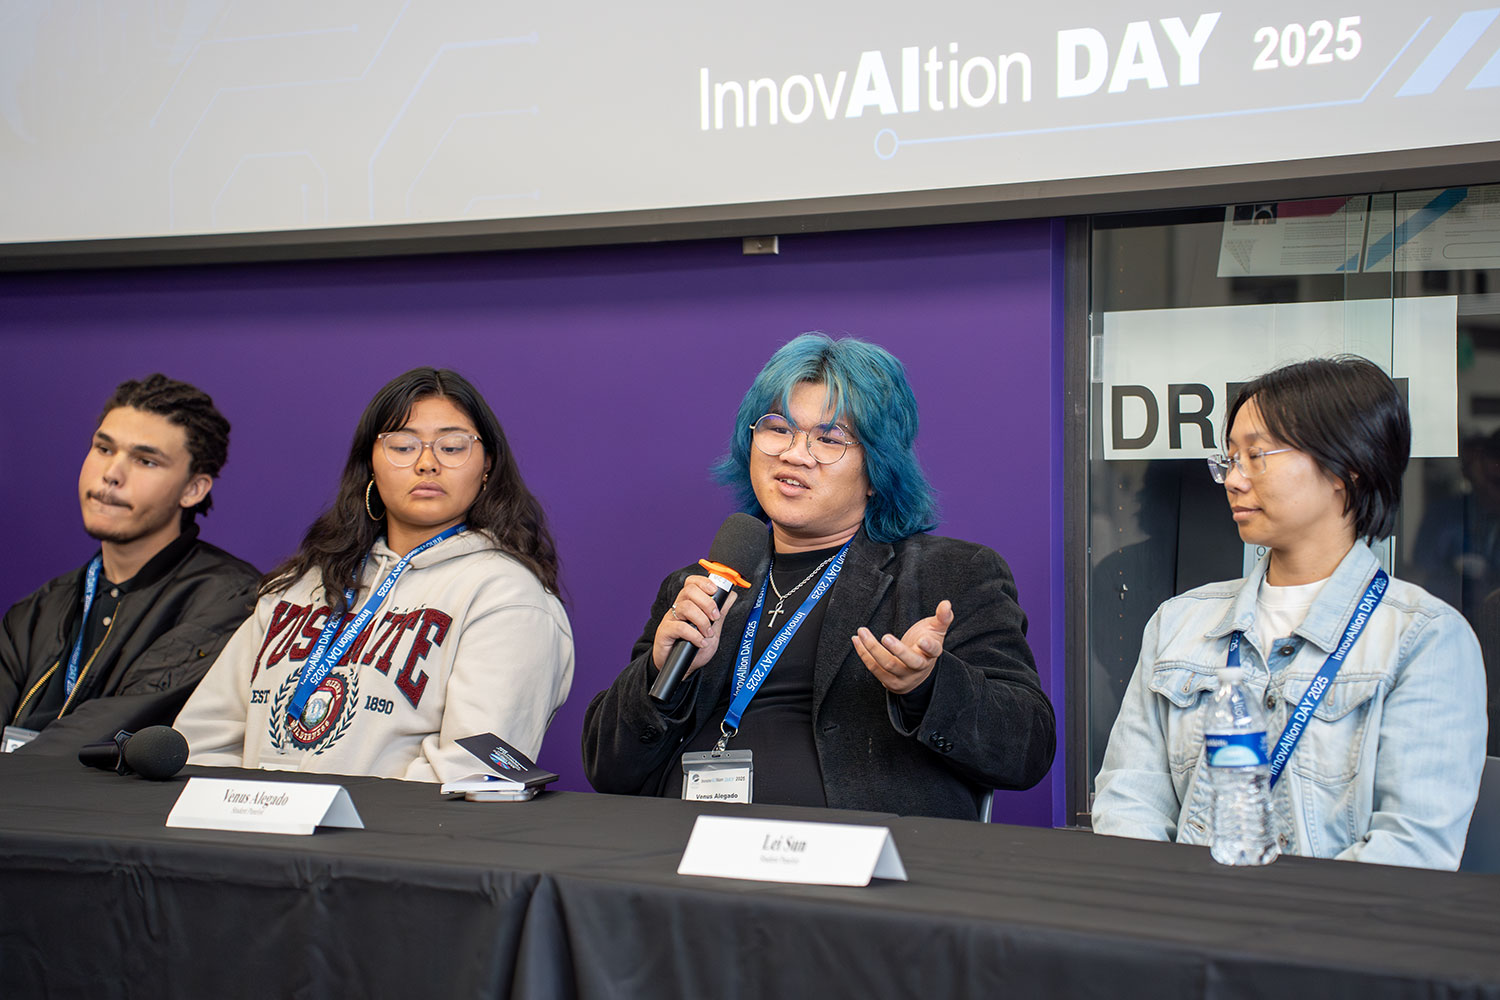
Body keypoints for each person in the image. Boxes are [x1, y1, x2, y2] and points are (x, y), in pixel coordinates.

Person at [582, 334, 1055, 819]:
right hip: (686, 852)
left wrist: (927, 686)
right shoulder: (702, 586)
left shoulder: (948, 575)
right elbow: (609, 770)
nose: (794, 453)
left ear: (878, 470)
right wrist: (660, 673)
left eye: (828, 439)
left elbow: (1026, 750)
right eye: (777, 429)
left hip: (851, 866)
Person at [1092, 356, 1486, 869]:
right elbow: (1129, 800)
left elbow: (1413, 847)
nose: (1232, 480)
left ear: (1347, 467)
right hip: (1181, 931)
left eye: (1256, 456)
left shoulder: (1424, 639)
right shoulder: (1179, 623)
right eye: (1229, 459)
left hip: (1328, 940)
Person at [176, 368, 573, 782]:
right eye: (402, 445)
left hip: (379, 843)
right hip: (247, 839)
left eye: (452, 447)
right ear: (371, 464)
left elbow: (472, 771)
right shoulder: (300, 584)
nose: (426, 463)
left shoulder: (506, 595)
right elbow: (201, 743)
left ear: (487, 465)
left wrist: (328, 821)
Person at [1, 374, 258, 755]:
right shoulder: (37, 609)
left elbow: (112, 729)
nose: (112, 475)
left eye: (145, 460)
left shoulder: (231, 599)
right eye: (104, 449)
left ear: (193, 489)